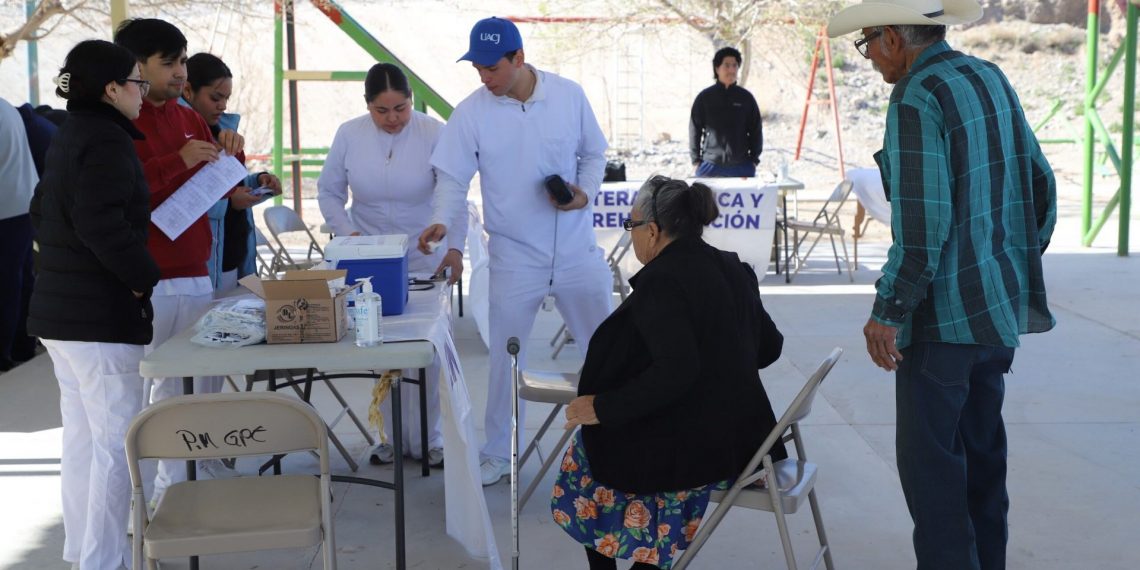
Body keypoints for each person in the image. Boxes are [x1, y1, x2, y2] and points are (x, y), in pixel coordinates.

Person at [827, 1, 1057, 568]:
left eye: (868, 44)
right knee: (983, 471)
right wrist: (1008, 261)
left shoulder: (915, 96)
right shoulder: (989, 75)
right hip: (996, 315)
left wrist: (888, 310)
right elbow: (1041, 185)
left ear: (892, 38)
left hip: (941, 327)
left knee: (935, 489)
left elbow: (923, 229)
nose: (870, 57)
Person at [552, 175, 786, 569]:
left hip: (702, 449)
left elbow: (676, 372)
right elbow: (770, 347)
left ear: (654, 230)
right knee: (620, 438)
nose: (632, 236)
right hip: (744, 441)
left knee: (589, 456)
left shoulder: (663, 281)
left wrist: (602, 408)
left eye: (632, 226)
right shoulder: (731, 266)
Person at [417, 16, 614, 486]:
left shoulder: (569, 96)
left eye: (491, 67)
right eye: (478, 68)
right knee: (507, 358)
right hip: (513, 258)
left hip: (576, 251)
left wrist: (583, 193)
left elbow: (594, 154)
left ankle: (617, 440)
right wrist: (444, 222)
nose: (484, 77)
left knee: (610, 350)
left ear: (519, 59)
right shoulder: (471, 113)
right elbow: (452, 177)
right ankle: (500, 452)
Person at [26, 39, 161, 570]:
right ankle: (104, 561)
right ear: (111, 89)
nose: (142, 92)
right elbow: (99, 222)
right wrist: (140, 279)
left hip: (63, 315)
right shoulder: (105, 139)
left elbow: (43, 212)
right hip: (96, 320)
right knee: (114, 446)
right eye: (137, 81)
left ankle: (85, 553)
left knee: (84, 441)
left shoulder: (71, 132)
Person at [114, 18, 245, 506]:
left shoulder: (190, 118)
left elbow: (220, 186)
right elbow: (123, 191)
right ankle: (147, 500)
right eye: (168, 63)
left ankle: (185, 487)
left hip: (195, 271)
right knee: (149, 397)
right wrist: (178, 161)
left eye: (183, 62)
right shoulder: (122, 120)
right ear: (135, 67)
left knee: (191, 389)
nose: (179, 73)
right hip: (147, 278)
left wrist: (232, 151)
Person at [318, 62, 466, 468]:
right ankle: (388, 436)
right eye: (382, 111)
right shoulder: (349, 134)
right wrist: (347, 234)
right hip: (369, 258)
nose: (393, 119)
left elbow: (453, 195)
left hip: (423, 254)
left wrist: (454, 247)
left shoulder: (435, 133)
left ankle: (431, 439)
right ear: (367, 106)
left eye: (400, 108)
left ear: (411, 101)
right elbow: (329, 192)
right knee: (378, 347)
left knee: (426, 352)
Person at [182, 52, 282, 291]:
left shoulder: (221, 131)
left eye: (226, 98)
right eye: (215, 97)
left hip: (232, 257)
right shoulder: (181, 136)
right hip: (203, 265)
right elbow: (180, 199)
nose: (223, 105)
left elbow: (226, 183)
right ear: (187, 91)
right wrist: (228, 202)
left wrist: (258, 181)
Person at [0, 98, 39, 372]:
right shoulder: (5, 107)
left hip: (7, 209)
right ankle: (22, 346)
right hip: (23, 202)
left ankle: (3, 352)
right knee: (20, 279)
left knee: (7, 284)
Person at [688, 47, 763, 178]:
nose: (732, 70)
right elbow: (695, 129)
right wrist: (696, 161)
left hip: (742, 167)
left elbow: (756, 130)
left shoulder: (746, 98)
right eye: (727, 65)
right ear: (717, 69)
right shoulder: (705, 98)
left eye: (735, 65)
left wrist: (754, 160)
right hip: (710, 166)